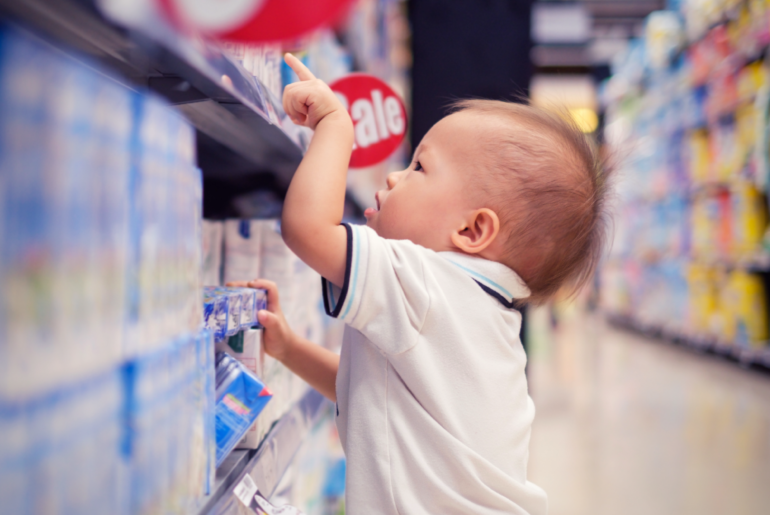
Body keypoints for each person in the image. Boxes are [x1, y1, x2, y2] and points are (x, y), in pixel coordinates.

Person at [234, 54, 611, 514]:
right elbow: (371, 392)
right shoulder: (478, 311)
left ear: (472, 232)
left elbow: (307, 230)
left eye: (418, 168)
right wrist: (291, 350)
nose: (394, 175)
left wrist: (335, 127)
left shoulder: (428, 284)